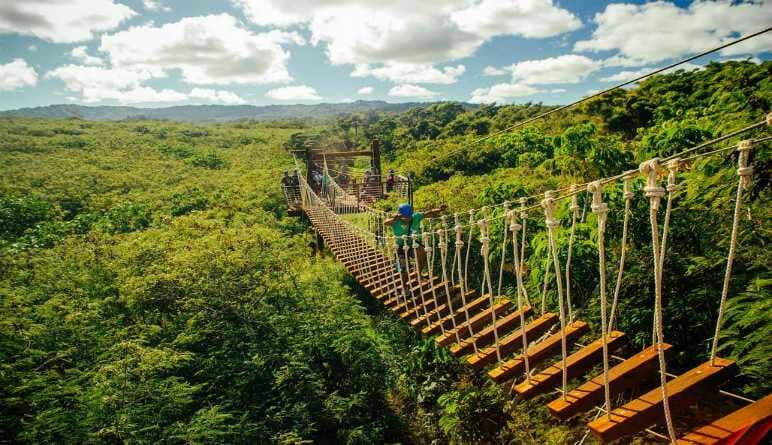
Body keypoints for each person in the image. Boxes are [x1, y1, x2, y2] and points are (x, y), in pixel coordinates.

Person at [385, 203, 447, 276]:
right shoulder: (395, 221)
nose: (407, 219)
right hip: (400, 247)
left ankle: (418, 273)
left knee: (424, 252)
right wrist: (395, 217)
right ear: (400, 216)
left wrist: (440, 209)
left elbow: (429, 213)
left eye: (409, 217)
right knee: (403, 269)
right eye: (405, 217)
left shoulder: (415, 217)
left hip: (412, 244)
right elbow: (385, 223)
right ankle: (404, 284)